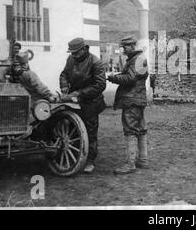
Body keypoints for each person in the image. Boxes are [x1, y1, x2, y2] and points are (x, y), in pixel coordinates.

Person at [59, 38, 107, 174]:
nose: (74, 56)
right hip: (74, 100)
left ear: (85, 49)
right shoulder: (71, 59)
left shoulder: (95, 62)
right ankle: (77, 155)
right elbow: (64, 74)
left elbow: (100, 85)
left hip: (91, 101)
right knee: (73, 128)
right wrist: (63, 85)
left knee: (90, 131)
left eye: (76, 53)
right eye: (72, 53)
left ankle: (90, 160)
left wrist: (79, 93)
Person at [107, 36, 149, 175]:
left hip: (131, 100)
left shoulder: (136, 60)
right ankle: (142, 159)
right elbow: (133, 76)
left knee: (130, 130)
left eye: (124, 47)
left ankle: (130, 163)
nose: (123, 50)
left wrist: (113, 78)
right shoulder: (139, 59)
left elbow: (130, 79)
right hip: (139, 99)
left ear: (131, 46)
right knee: (140, 128)